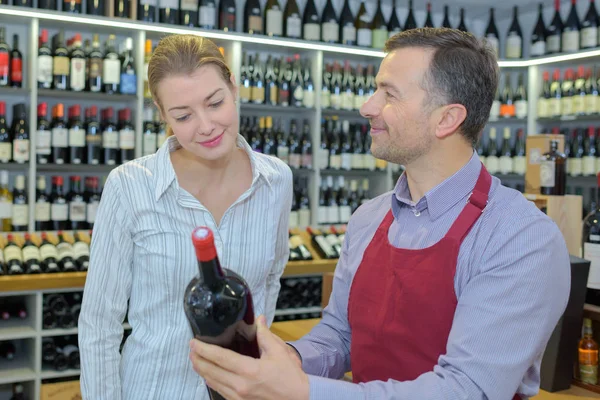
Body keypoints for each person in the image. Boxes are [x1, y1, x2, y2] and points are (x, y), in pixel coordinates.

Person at [188, 28, 571, 400]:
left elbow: (466, 390)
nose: (367, 106)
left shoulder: (519, 238)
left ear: (446, 119)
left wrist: (303, 391)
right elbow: (341, 334)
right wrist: (289, 359)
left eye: (388, 94)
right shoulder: (368, 218)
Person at [78, 34, 293, 400]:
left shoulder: (276, 181)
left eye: (215, 103)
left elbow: (268, 287)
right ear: (163, 116)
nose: (205, 125)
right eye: (183, 115)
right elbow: (100, 325)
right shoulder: (130, 187)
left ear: (234, 87)